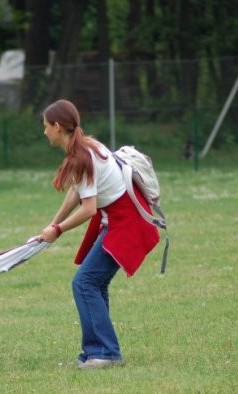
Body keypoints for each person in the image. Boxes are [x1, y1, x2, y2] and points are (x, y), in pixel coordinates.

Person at [38, 99, 159, 369]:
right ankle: (96, 352)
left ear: (58, 127)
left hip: (125, 222)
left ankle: (106, 354)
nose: (44, 131)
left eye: (46, 126)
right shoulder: (85, 148)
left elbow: (88, 208)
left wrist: (57, 230)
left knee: (84, 283)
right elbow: (76, 192)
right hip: (116, 220)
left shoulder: (83, 156)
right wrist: (52, 224)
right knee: (92, 283)